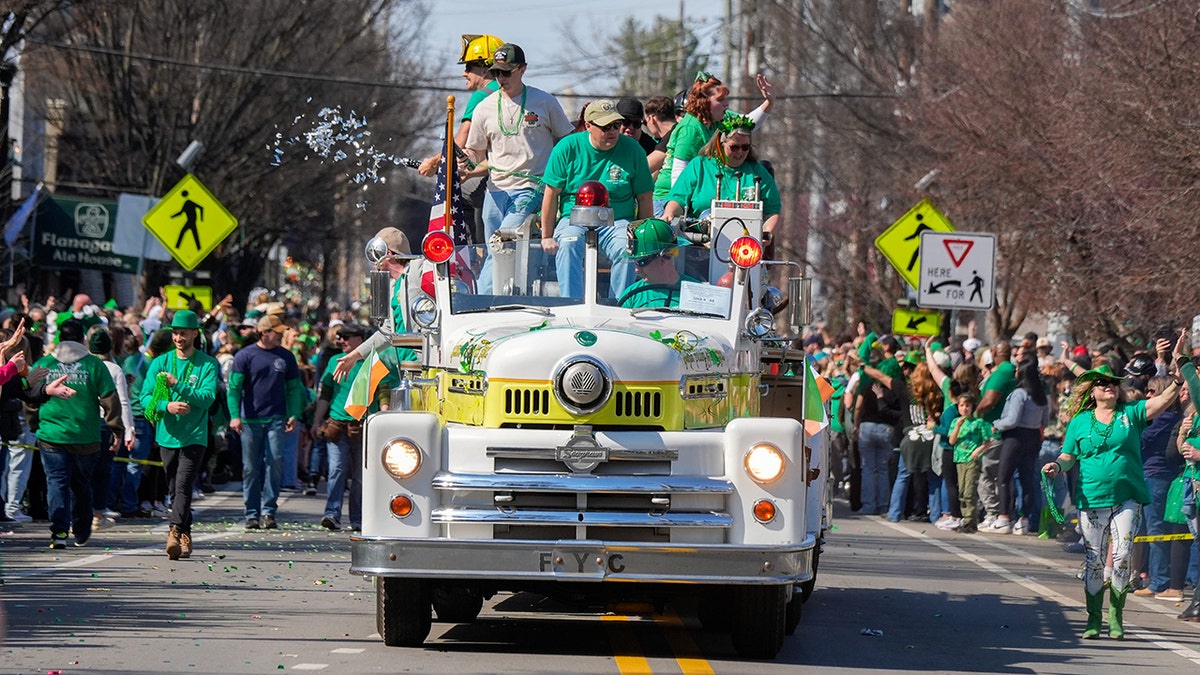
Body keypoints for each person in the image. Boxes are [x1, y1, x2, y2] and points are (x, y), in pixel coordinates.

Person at [1042, 349, 1184, 640]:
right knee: (1094, 560)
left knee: (1121, 557)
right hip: (1091, 498)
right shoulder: (1080, 421)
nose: (1109, 386)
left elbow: (1161, 402)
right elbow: (1069, 455)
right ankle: (1094, 617)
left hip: (1127, 497)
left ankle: (1116, 616)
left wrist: (1177, 381)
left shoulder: (1130, 414)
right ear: (1092, 391)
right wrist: (1057, 465)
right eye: (1103, 383)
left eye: (1113, 383)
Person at [464, 42, 574, 294]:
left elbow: (567, 141)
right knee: (499, 251)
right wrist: (466, 164)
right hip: (494, 190)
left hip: (532, 186)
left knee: (503, 241)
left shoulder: (544, 101)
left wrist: (558, 179)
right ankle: (510, 299)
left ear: (522, 69)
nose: (500, 78)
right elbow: (476, 153)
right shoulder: (484, 108)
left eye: (506, 72)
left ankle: (480, 301)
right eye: (496, 73)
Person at [540, 99, 654, 300]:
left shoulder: (634, 150)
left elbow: (644, 198)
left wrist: (643, 237)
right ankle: (571, 304)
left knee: (627, 247)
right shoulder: (567, 147)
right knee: (568, 243)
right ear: (588, 126)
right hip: (573, 219)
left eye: (616, 125)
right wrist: (546, 236)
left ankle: (620, 304)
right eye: (605, 127)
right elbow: (551, 194)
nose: (612, 131)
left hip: (617, 222)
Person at [31, 318, 125, 549]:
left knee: (56, 482)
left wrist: (35, 423)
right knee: (81, 483)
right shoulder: (94, 365)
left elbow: (30, 396)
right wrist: (116, 429)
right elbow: (110, 399)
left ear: (59, 338)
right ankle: (81, 531)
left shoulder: (44, 364)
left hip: (52, 433)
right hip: (86, 435)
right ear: (83, 339)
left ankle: (59, 531)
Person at [141, 310, 219, 559]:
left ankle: (173, 531)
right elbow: (144, 398)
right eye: (175, 332)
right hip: (167, 434)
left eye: (183, 333)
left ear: (195, 333)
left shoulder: (207, 363)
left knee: (184, 485)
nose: (178, 337)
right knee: (174, 489)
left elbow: (207, 398)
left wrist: (179, 386)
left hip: (195, 435)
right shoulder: (160, 363)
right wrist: (167, 406)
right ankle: (186, 531)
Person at [651, 71, 775, 211]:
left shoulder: (719, 118)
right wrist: (680, 208)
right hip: (669, 200)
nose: (726, 104)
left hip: (693, 196)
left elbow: (748, 124)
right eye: (720, 99)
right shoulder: (691, 129)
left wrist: (769, 102)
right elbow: (679, 174)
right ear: (704, 102)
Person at [227, 314, 305, 530]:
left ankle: (268, 511)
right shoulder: (244, 356)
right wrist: (234, 415)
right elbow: (234, 389)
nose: (282, 335)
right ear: (265, 332)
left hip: (276, 419)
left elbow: (294, 388)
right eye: (277, 332)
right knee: (250, 467)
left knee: (275, 462)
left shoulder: (286, 357)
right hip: (250, 420)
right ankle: (252, 513)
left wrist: (294, 413)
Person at [312, 323, 389, 531]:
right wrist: (317, 421)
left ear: (359, 339)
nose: (342, 341)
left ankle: (358, 518)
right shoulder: (333, 361)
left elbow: (384, 391)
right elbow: (325, 394)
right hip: (337, 424)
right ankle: (332, 514)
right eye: (340, 337)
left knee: (360, 476)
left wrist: (383, 415)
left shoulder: (373, 361)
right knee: (336, 470)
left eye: (346, 337)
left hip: (363, 425)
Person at [661, 114, 782, 245]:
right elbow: (678, 199)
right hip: (699, 245)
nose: (740, 152)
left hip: (743, 250)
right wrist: (670, 214)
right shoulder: (699, 165)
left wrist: (766, 231)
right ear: (721, 144)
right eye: (734, 147)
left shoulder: (757, 172)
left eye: (745, 147)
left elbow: (772, 210)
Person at [332, 227, 419, 383]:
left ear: (389, 254)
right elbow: (387, 332)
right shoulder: (393, 286)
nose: (372, 260)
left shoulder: (418, 270)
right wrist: (354, 356)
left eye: (376, 254)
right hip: (407, 366)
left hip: (426, 361)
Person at [113, 328, 172, 518]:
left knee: (118, 463)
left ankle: (111, 503)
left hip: (122, 416)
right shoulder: (156, 366)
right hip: (141, 417)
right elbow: (156, 396)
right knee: (135, 465)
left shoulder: (131, 360)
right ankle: (129, 505)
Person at [989, 356, 1051, 535]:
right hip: (1033, 437)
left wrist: (997, 424)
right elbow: (1045, 420)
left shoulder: (1019, 393)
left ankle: (1003, 517)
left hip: (1015, 437)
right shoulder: (1042, 395)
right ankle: (1024, 519)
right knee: (1027, 479)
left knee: (1004, 477)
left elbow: (1012, 420)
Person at [84, 326, 135, 532]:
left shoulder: (84, 366)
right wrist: (127, 429)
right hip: (106, 424)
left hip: (85, 424)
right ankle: (97, 514)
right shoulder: (114, 369)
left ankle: (81, 513)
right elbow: (122, 402)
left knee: (83, 471)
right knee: (103, 471)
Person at [617, 218, 700, 309]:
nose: (636, 269)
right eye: (635, 262)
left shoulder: (698, 293)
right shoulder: (630, 296)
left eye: (642, 262)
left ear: (665, 257)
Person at [949, 393, 996, 534]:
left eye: (967, 405)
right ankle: (965, 518)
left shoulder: (978, 423)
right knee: (962, 491)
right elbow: (951, 441)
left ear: (972, 407)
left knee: (969, 490)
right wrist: (957, 427)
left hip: (972, 459)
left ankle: (971, 520)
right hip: (959, 458)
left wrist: (978, 450)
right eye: (961, 405)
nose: (964, 408)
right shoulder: (955, 422)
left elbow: (988, 441)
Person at [643, 95, 678, 179]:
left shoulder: (672, 135)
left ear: (651, 119)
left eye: (645, 122)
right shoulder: (678, 130)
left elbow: (644, 167)